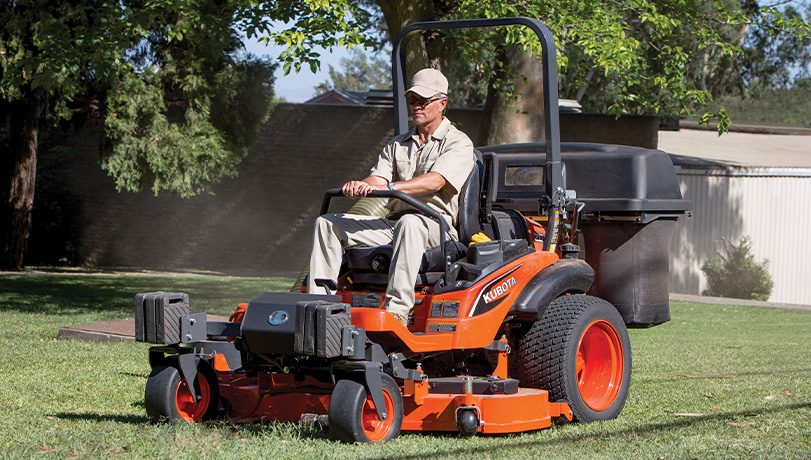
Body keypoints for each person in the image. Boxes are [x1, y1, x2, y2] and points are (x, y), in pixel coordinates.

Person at [308, 68, 475, 326]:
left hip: (436, 226)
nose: (416, 106)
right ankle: (318, 308)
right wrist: (361, 185)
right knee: (328, 224)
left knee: (410, 224)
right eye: (412, 100)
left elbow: (436, 181)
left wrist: (394, 187)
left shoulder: (458, 143)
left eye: (423, 100)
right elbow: (378, 179)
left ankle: (397, 312)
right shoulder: (397, 144)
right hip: (395, 224)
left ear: (442, 103)